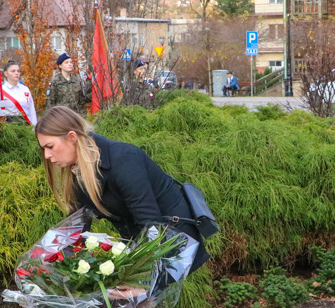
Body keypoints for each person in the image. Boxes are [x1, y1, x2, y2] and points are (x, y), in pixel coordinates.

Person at [35, 106, 210, 286]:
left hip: (176, 240)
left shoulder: (123, 160)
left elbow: (150, 225)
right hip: (144, 243)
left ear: (72, 137)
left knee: (137, 300)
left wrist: (147, 284)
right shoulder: (79, 169)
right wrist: (55, 270)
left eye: (50, 147)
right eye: (44, 149)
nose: (47, 155)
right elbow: (77, 225)